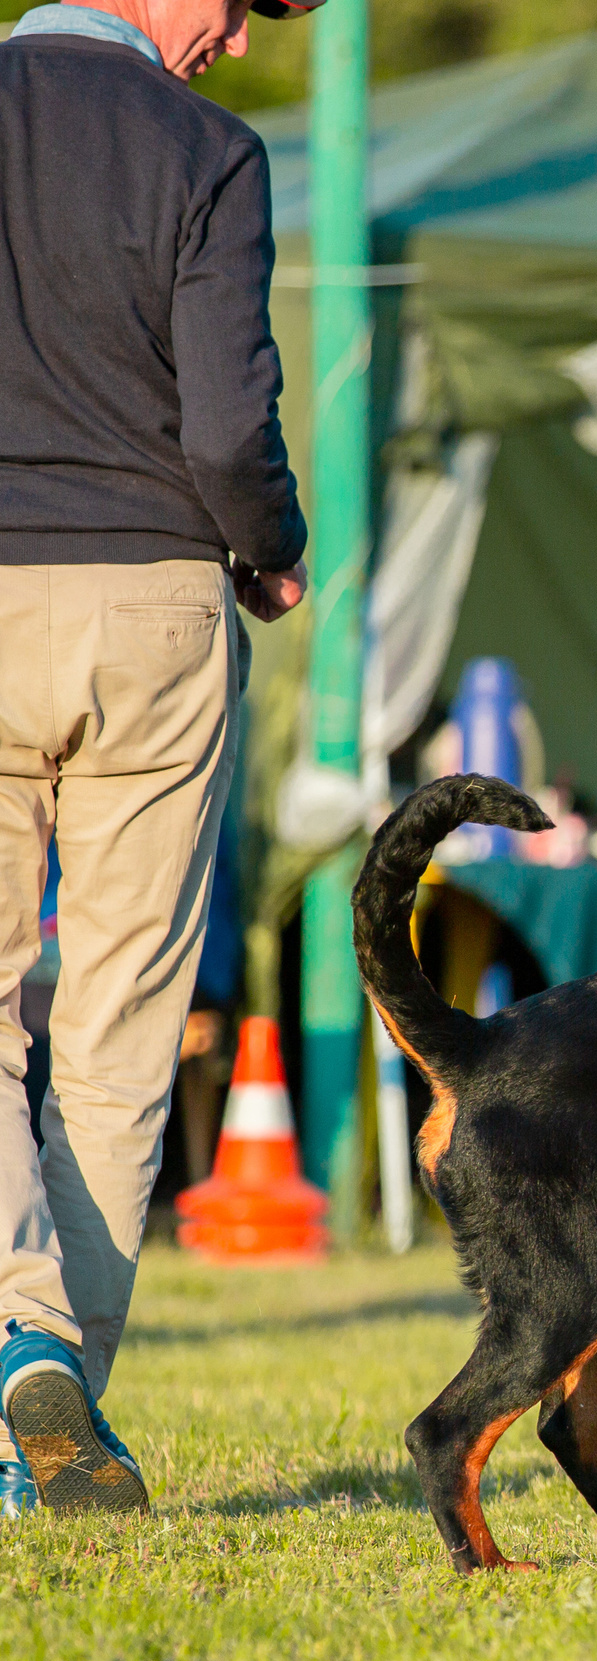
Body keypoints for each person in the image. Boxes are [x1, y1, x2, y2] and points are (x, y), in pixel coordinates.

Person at [0, 0, 317, 1519]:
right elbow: (227, 416)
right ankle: (57, 1384)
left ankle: (16, 1346)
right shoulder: (206, 147)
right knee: (124, 1027)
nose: (239, 41)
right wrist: (271, 549)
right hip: (154, 602)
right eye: (242, 5)